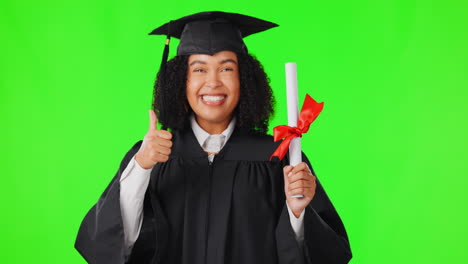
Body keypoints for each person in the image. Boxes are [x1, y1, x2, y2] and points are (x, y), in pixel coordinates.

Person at [75, 11, 352, 264]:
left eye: (226, 68)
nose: (213, 82)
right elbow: (108, 247)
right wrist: (142, 168)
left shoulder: (279, 158)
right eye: (199, 69)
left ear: (244, 79)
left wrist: (297, 213)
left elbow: (327, 255)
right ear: (180, 81)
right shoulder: (152, 156)